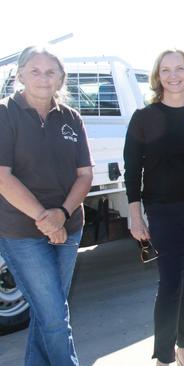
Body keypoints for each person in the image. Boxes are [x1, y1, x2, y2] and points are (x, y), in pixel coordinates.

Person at [0, 46, 93, 366]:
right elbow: (2, 177)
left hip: (70, 227)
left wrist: (62, 215)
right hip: (21, 230)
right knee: (55, 317)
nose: (43, 77)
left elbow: (85, 175)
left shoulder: (71, 117)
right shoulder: (5, 113)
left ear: (61, 78)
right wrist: (45, 218)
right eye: (35, 70)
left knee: (47, 312)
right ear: (21, 74)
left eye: (50, 71)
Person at [123, 49, 184, 366]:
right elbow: (132, 170)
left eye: (179, 69)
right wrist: (135, 215)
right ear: (157, 76)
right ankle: (163, 356)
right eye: (166, 70)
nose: (173, 75)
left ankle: (183, 344)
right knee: (171, 283)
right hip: (162, 210)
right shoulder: (144, 118)